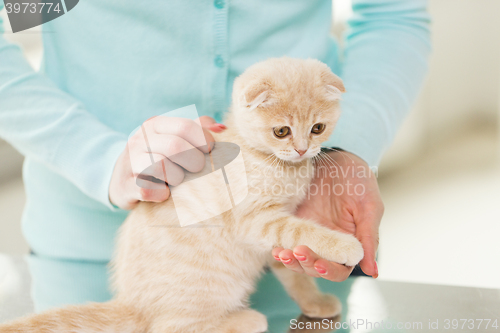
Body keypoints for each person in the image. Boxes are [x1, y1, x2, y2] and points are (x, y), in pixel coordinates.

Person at [0, 0, 430, 316]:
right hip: (93, 246)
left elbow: (391, 13)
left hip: (306, 220)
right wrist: (96, 155)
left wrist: (342, 149)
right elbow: (16, 12)